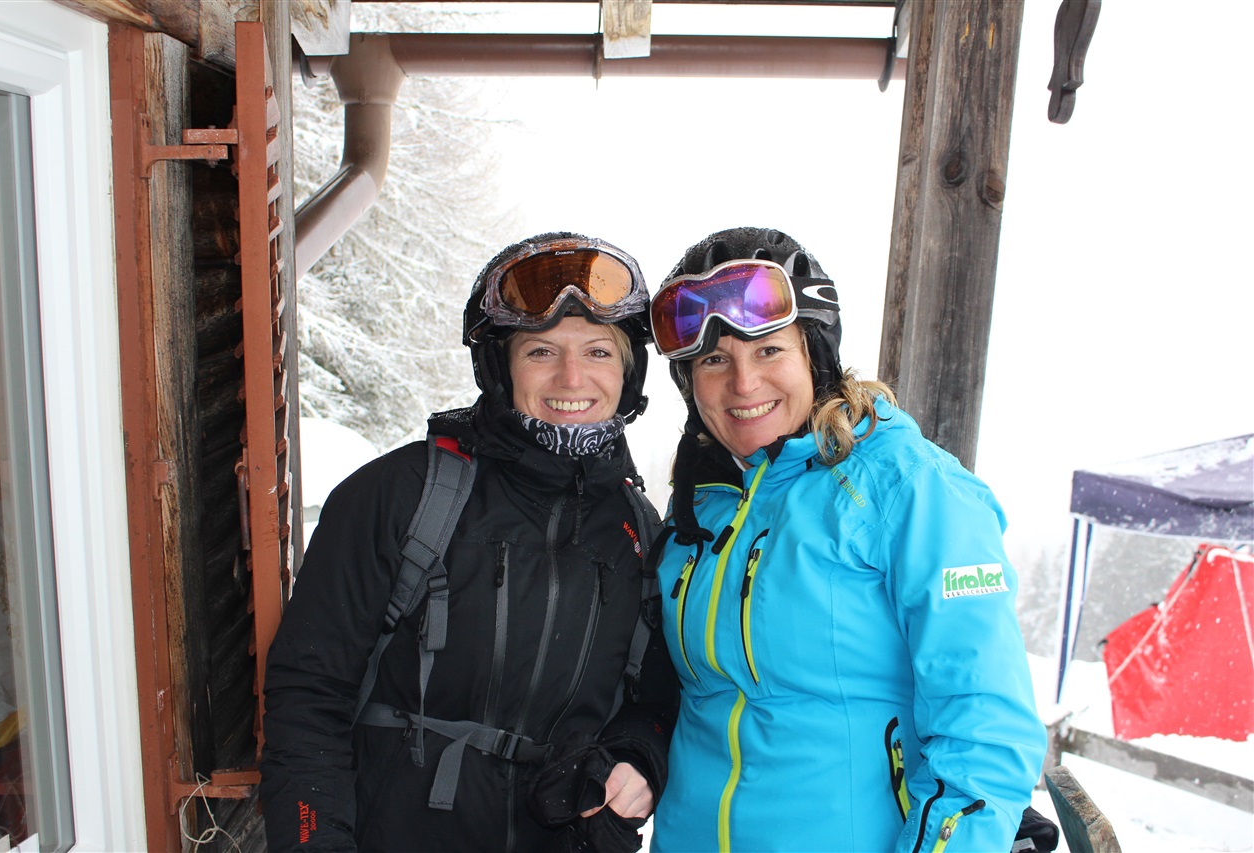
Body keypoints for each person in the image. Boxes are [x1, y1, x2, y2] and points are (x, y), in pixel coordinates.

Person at [260, 232, 679, 852]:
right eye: (541, 351)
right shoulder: (404, 496)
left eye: (598, 351)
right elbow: (308, 696)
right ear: (500, 368)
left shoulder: (640, 536)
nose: (572, 377)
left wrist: (637, 759)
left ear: (628, 372)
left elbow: (656, 702)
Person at [645, 227, 1048, 853]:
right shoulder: (699, 504)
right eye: (714, 361)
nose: (744, 383)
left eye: (769, 350)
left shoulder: (909, 488)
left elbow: (984, 726)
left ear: (815, 353)